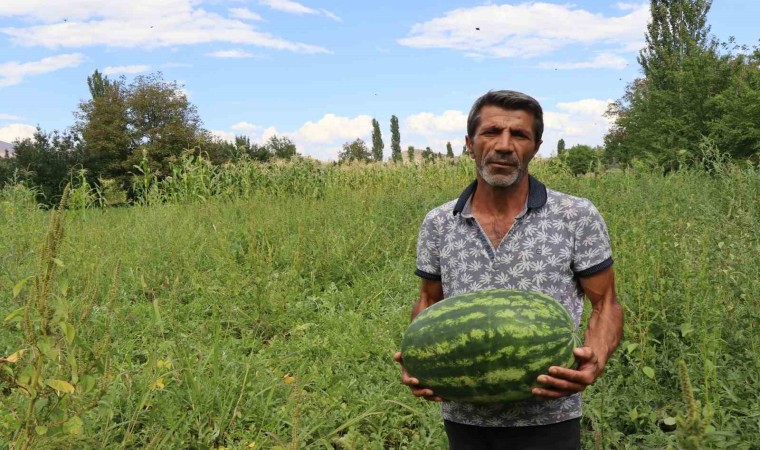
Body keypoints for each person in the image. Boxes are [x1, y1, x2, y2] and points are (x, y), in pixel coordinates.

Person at [393, 90, 624, 450]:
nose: (504, 145)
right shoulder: (438, 223)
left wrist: (595, 360)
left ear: (536, 146)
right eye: (491, 132)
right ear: (469, 143)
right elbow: (428, 301)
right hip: (464, 412)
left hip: (551, 413)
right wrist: (419, 359)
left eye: (519, 135)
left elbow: (606, 303)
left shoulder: (575, 215)